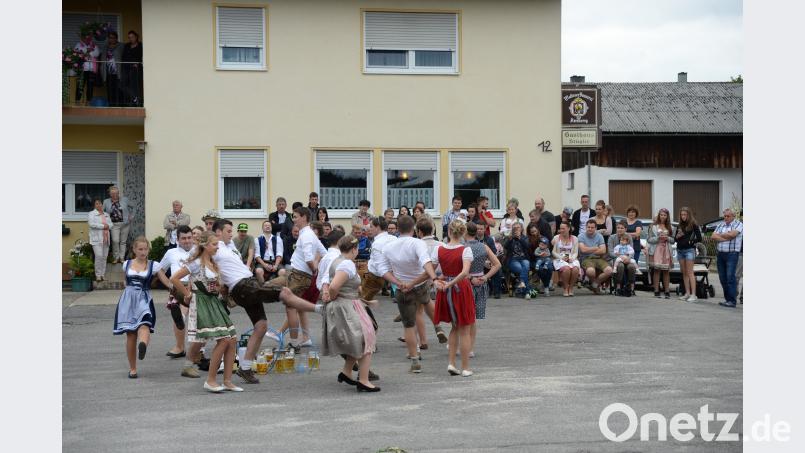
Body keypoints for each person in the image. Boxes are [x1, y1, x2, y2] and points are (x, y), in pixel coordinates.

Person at [280, 235, 380, 392]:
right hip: (346, 305)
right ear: (354, 249)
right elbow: (334, 286)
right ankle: (364, 380)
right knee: (366, 339)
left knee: (359, 338)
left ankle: (347, 372)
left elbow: (327, 281)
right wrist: (331, 295)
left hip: (348, 303)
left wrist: (331, 292)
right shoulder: (347, 264)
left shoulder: (337, 260)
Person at [171, 232, 241, 393]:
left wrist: (220, 290)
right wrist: (188, 294)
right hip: (201, 303)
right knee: (223, 340)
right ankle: (210, 380)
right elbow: (175, 278)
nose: (217, 247)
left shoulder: (213, 262)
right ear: (205, 245)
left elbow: (214, 286)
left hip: (213, 302)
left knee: (232, 339)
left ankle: (228, 380)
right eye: (215, 244)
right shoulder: (195, 263)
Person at [377, 215, 442, 373]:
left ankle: (414, 359)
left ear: (397, 229)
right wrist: (433, 277)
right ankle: (438, 326)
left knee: (409, 325)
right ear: (414, 229)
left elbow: (382, 269)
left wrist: (398, 283)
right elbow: (425, 262)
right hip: (419, 284)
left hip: (402, 289)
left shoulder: (389, 246)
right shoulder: (418, 243)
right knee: (426, 302)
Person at [262, 207, 328, 351]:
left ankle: (294, 343)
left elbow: (310, 258)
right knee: (266, 286)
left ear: (304, 217)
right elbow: (324, 253)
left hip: (300, 277)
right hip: (293, 274)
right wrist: (315, 266)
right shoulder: (308, 234)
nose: (293, 219)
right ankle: (232, 298)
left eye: (296, 216)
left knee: (291, 306)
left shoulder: (307, 235)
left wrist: (314, 268)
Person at [432, 220, 476, 377]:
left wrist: (436, 280)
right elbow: (464, 272)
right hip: (460, 289)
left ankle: (451, 363)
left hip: (445, 288)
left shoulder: (439, 249)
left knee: (454, 327)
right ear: (463, 233)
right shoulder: (465, 250)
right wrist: (450, 283)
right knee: (464, 329)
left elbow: (432, 268)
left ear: (449, 232)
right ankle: (465, 367)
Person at [113, 237, 160, 378]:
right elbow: (125, 281)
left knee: (145, 323)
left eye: (145, 249)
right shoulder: (126, 264)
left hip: (144, 299)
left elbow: (167, 281)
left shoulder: (154, 265)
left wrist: (177, 290)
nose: (143, 252)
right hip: (128, 300)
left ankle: (143, 345)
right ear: (134, 250)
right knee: (130, 334)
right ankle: (133, 369)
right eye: (140, 249)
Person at [155, 225, 194, 365]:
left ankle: (189, 347)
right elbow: (159, 269)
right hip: (177, 286)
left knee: (183, 315)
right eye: (183, 238)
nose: (187, 241)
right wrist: (168, 284)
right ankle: (180, 347)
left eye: (189, 237)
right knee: (178, 315)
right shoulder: (171, 252)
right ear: (177, 239)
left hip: (193, 286)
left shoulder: (198, 250)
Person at [465, 222, 501, 358]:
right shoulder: (484, 246)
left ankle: (459, 344)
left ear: (465, 232)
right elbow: (497, 264)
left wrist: (469, 277)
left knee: (461, 317)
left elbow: (459, 269)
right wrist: (485, 277)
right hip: (480, 282)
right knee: (473, 318)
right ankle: (470, 348)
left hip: (465, 283)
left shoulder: (462, 247)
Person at [711, 208, 743, 308]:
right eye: (724, 216)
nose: (726, 218)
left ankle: (732, 300)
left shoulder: (738, 224)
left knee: (730, 277)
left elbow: (733, 234)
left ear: (733, 216)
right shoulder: (721, 225)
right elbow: (713, 236)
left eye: (728, 216)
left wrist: (720, 236)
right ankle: (727, 299)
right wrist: (726, 236)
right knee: (722, 278)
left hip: (732, 254)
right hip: (721, 254)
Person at [674, 207, 703, 302]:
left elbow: (699, 238)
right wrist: (678, 236)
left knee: (690, 272)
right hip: (680, 250)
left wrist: (691, 241)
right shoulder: (679, 225)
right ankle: (687, 293)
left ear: (688, 215)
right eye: (682, 214)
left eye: (685, 214)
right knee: (684, 272)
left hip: (689, 250)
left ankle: (694, 295)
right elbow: (675, 239)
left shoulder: (693, 224)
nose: (683, 216)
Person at [578, 219, 613, 294]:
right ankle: (595, 286)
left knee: (609, 270)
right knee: (591, 272)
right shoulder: (581, 236)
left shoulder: (599, 236)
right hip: (586, 259)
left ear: (596, 228)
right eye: (588, 227)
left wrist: (588, 249)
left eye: (592, 227)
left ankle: (595, 284)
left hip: (598, 258)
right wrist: (595, 248)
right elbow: (583, 250)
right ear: (586, 227)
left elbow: (603, 251)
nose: (590, 229)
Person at [647, 208, 675, 299]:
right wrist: (658, 238)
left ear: (667, 216)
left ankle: (667, 291)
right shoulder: (653, 226)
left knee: (666, 271)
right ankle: (656, 290)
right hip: (656, 250)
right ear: (659, 215)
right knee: (656, 270)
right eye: (661, 214)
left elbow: (673, 240)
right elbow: (649, 239)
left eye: (664, 215)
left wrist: (667, 238)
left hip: (666, 250)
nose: (663, 216)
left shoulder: (671, 227)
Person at [103, 186, 133, 263]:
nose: (115, 195)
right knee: (115, 240)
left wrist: (131, 215)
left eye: (117, 193)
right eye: (113, 193)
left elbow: (134, 206)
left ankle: (122, 258)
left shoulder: (125, 200)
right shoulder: (106, 202)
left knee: (123, 241)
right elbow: (103, 213)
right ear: (110, 194)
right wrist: (104, 220)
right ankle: (116, 257)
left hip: (125, 224)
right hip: (114, 225)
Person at [608, 220, 637, 297]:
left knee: (632, 267)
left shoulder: (629, 237)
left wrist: (628, 258)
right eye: (618, 228)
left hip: (627, 258)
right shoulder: (612, 237)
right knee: (620, 266)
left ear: (625, 229)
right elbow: (610, 252)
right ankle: (618, 287)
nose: (619, 229)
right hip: (616, 259)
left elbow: (632, 250)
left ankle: (631, 288)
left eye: (622, 228)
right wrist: (619, 256)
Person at [552, 221, 580, 297]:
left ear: (568, 228)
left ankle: (571, 288)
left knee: (575, 269)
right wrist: (561, 258)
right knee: (566, 269)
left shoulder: (575, 238)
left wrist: (572, 258)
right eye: (560, 228)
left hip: (571, 257)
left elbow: (575, 252)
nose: (561, 230)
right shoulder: (556, 238)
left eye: (563, 228)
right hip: (559, 258)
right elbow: (553, 252)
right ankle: (565, 288)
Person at [505, 222, 532, 298]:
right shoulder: (510, 238)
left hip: (524, 258)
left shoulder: (525, 237)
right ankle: (527, 291)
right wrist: (510, 239)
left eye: (518, 227)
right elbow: (506, 247)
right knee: (522, 269)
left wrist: (520, 238)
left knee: (526, 265)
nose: (516, 229)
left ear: (522, 229)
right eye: (514, 228)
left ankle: (522, 285)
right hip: (513, 259)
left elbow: (527, 246)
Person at [88, 199, 112, 282]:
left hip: (106, 239)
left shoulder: (106, 214)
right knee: (99, 256)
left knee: (104, 257)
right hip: (96, 239)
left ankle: (102, 275)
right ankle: (98, 275)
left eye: (100, 203)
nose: (99, 205)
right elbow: (92, 224)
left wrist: (108, 226)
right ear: (94, 205)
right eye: (97, 203)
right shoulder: (92, 214)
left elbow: (111, 225)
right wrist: (103, 226)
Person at [74, 32, 100, 104]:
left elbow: (97, 53)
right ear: (82, 38)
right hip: (82, 69)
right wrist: (86, 51)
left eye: (88, 37)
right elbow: (77, 53)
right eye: (85, 37)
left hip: (91, 69)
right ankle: (77, 100)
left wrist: (89, 53)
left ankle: (89, 101)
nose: (86, 39)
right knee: (80, 85)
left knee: (90, 86)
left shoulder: (94, 45)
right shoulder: (79, 44)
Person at [100, 30, 124, 106]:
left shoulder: (121, 46)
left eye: (113, 38)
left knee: (118, 89)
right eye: (110, 38)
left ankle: (118, 105)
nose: (111, 39)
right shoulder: (105, 47)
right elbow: (102, 58)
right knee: (110, 89)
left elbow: (125, 56)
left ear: (116, 38)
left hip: (118, 72)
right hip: (108, 72)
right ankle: (111, 105)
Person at [121, 30, 143, 106]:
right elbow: (123, 57)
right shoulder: (127, 45)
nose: (131, 39)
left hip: (136, 69)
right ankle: (135, 98)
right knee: (122, 85)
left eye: (132, 37)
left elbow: (142, 56)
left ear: (136, 37)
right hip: (126, 67)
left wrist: (137, 63)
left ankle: (135, 103)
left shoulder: (141, 45)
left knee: (134, 86)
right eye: (129, 37)